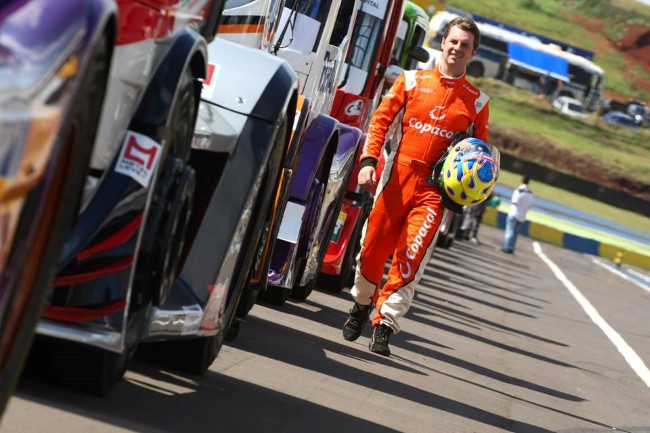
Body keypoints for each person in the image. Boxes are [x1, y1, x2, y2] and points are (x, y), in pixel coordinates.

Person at [341, 16, 490, 356]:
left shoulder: (478, 102)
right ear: (443, 43)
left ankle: (385, 324)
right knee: (371, 250)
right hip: (396, 176)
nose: (457, 48)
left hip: (434, 192)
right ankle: (362, 305)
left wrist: (464, 193)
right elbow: (379, 122)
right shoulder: (410, 81)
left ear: (473, 53)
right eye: (453, 42)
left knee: (411, 257)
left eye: (465, 45)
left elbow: (481, 157)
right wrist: (368, 162)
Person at [502, 176, 534, 254]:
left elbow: (514, 201)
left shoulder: (519, 190)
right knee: (515, 233)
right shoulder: (530, 193)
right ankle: (511, 247)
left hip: (514, 213)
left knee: (510, 231)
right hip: (522, 216)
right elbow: (530, 206)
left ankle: (507, 247)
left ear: (521, 181)